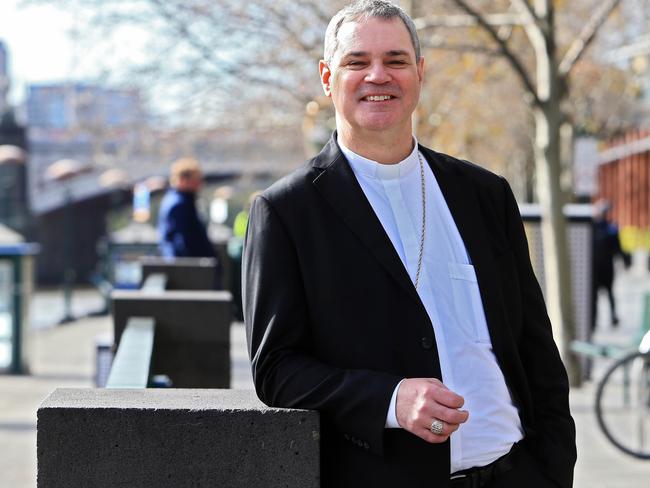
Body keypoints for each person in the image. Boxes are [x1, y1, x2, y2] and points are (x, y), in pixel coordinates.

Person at [243, 2, 576, 487]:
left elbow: (534, 347)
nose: (378, 75)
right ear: (327, 77)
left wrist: (553, 466)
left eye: (396, 60)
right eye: (357, 62)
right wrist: (389, 400)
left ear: (419, 73)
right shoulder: (286, 211)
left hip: (517, 473)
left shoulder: (485, 194)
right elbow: (276, 369)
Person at [158, 158, 217, 260]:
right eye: (195, 180)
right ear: (183, 180)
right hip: (187, 269)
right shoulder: (179, 204)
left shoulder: (179, 200)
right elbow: (183, 242)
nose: (199, 184)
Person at [591, 200, 629, 331]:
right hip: (595, 268)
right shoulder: (592, 228)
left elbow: (618, 247)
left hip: (606, 268)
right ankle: (593, 319)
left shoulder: (610, 229)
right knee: (594, 295)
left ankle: (612, 317)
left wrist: (625, 261)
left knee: (610, 293)